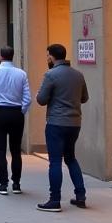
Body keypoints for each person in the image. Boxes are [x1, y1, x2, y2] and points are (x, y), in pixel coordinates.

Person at [35, 44, 89, 212]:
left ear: (51, 57)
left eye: (47, 56)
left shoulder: (50, 75)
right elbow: (84, 98)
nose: (47, 59)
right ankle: (81, 195)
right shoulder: (78, 75)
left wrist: (41, 94)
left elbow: (41, 99)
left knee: (55, 162)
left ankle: (55, 200)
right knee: (71, 158)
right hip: (74, 124)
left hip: (56, 123)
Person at [0, 45, 31, 195]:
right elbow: (27, 98)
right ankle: (16, 183)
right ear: (13, 56)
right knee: (16, 150)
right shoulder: (21, 74)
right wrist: (21, 110)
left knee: (0, 149)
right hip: (16, 112)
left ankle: (3, 184)